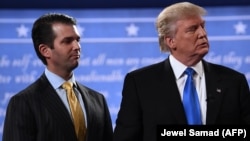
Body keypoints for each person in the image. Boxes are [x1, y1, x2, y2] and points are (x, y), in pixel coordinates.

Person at [113, 2, 250, 141]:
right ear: (171, 41)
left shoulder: (234, 82)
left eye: (203, 26)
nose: (203, 34)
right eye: (192, 29)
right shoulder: (140, 83)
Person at [2, 13, 113, 141]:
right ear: (45, 50)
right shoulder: (23, 103)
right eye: (67, 41)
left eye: (78, 40)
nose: (77, 47)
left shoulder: (98, 100)